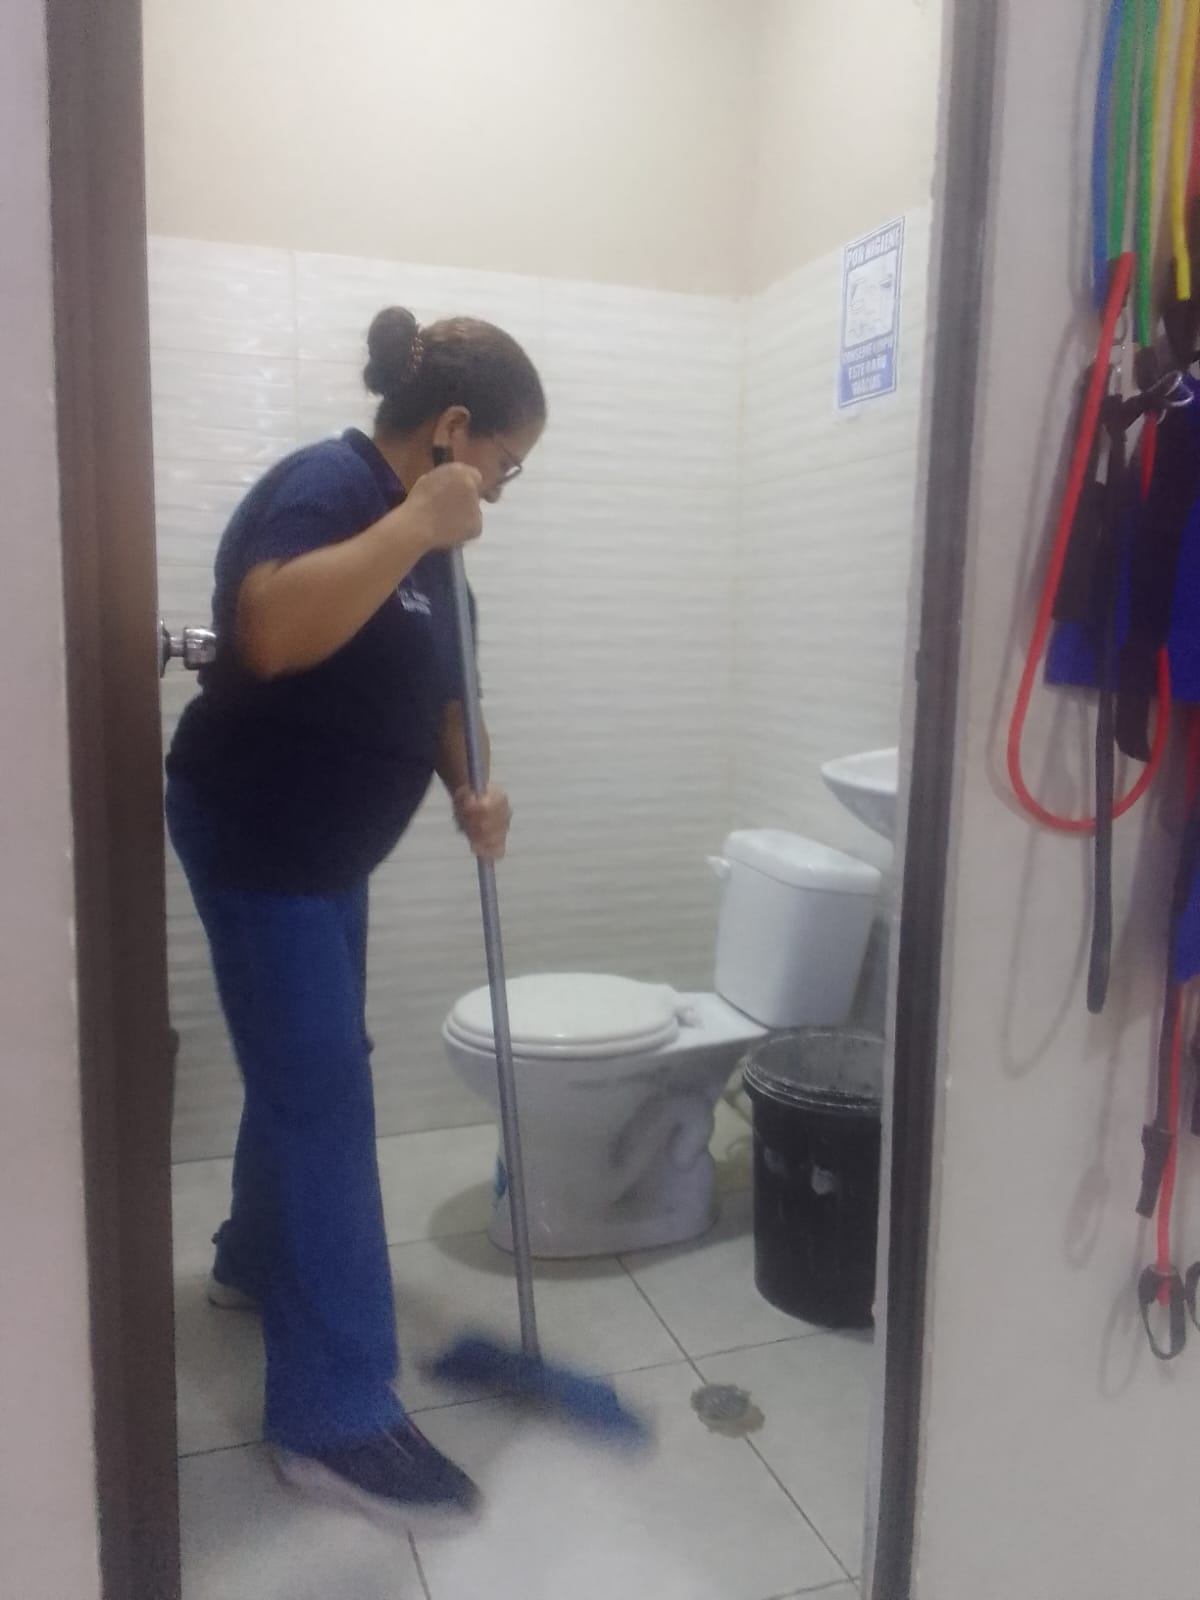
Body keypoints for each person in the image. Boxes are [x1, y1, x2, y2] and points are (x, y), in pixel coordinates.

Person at [165, 307, 546, 1526]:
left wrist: (474, 785)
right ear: (451, 429)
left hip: (331, 851)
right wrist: (418, 523)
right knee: (327, 1097)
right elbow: (273, 631)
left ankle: (248, 1258)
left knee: (313, 1069)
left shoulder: (443, 550)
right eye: (504, 463)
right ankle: (332, 1420)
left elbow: (449, 694)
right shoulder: (325, 488)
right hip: (259, 833)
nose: (501, 490)